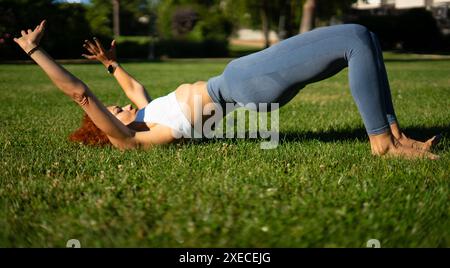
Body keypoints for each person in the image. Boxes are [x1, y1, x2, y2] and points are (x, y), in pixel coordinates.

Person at [13, 20, 439, 159]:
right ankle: (382, 143)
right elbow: (80, 95)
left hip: (245, 84)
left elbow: (134, 88)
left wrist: (111, 65)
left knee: (364, 39)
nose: (122, 105)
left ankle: (396, 135)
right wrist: (35, 51)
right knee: (353, 38)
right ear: (104, 129)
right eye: (116, 110)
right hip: (245, 84)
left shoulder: (146, 116)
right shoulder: (130, 139)